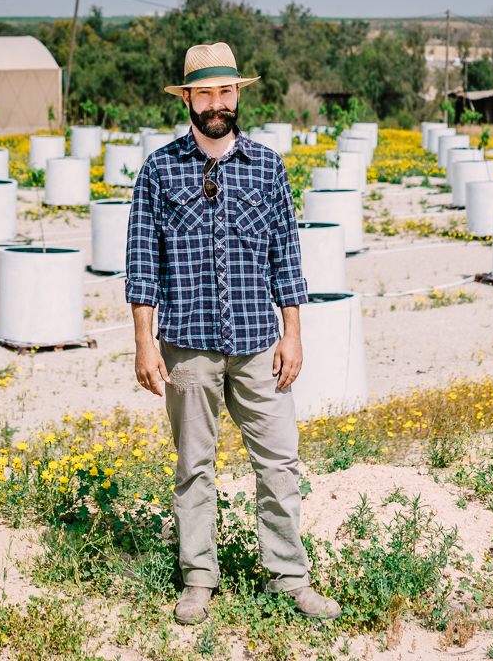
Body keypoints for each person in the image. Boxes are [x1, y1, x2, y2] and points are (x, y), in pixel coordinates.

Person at [123, 42, 341, 625]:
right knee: (194, 466)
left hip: (258, 344)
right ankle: (198, 579)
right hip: (186, 346)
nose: (216, 103)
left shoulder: (267, 166)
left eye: (225, 91)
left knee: (279, 463)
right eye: (205, 93)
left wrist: (293, 334)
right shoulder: (159, 170)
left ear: (237, 95)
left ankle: (289, 578)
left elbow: (285, 257)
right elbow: (142, 262)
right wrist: (144, 342)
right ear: (187, 100)